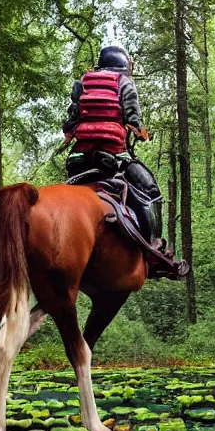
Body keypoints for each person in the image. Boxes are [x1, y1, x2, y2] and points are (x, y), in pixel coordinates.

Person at [62, 45, 183, 279]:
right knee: (150, 191)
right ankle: (153, 249)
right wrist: (141, 133)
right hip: (114, 159)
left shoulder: (82, 84)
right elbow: (133, 121)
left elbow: (70, 122)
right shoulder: (125, 83)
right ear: (124, 67)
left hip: (78, 159)